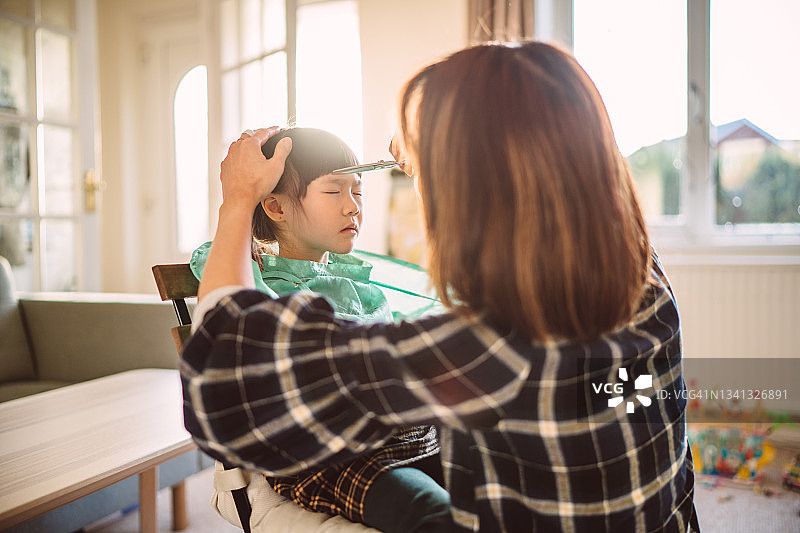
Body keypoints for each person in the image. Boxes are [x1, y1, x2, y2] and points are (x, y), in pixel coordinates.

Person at [181, 42, 699, 532]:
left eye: (429, 175)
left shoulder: (491, 346)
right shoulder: (641, 273)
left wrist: (237, 202)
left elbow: (223, 383)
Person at [190, 127, 451, 532]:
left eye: (358, 191)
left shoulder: (360, 279)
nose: (353, 208)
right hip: (332, 456)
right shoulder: (259, 274)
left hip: (410, 437)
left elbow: (446, 302)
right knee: (435, 512)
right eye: (334, 191)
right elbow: (229, 308)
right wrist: (241, 205)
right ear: (275, 207)